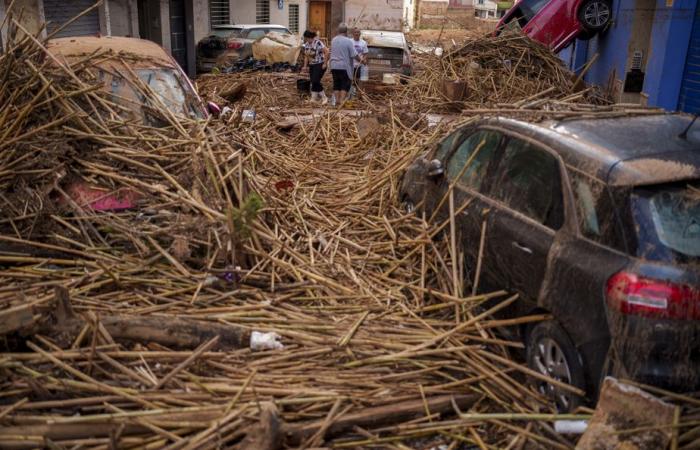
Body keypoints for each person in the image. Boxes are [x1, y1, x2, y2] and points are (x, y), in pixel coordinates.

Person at [329, 23, 360, 106]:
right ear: (346, 31)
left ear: (338, 31)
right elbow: (354, 54)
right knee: (345, 84)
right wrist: (361, 60)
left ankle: (337, 101)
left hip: (334, 66)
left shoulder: (333, 40)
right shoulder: (348, 41)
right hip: (343, 66)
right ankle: (341, 101)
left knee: (336, 83)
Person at [301, 29, 329, 104]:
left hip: (320, 64)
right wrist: (305, 66)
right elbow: (306, 56)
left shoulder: (318, 43)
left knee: (315, 80)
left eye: (306, 38)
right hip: (312, 65)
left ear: (310, 37)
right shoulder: (306, 45)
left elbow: (326, 51)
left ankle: (324, 97)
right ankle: (314, 98)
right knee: (313, 81)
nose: (305, 39)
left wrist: (325, 63)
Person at [350, 27, 368, 98]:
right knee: (351, 81)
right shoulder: (349, 42)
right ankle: (351, 95)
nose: (356, 33)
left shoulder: (363, 42)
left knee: (359, 81)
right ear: (353, 34)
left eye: (358, 32)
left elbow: (366, 53)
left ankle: (358, 96)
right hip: (351, 65)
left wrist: (364, 59)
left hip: (359, 65)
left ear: (360, 34)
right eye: (355, 32)